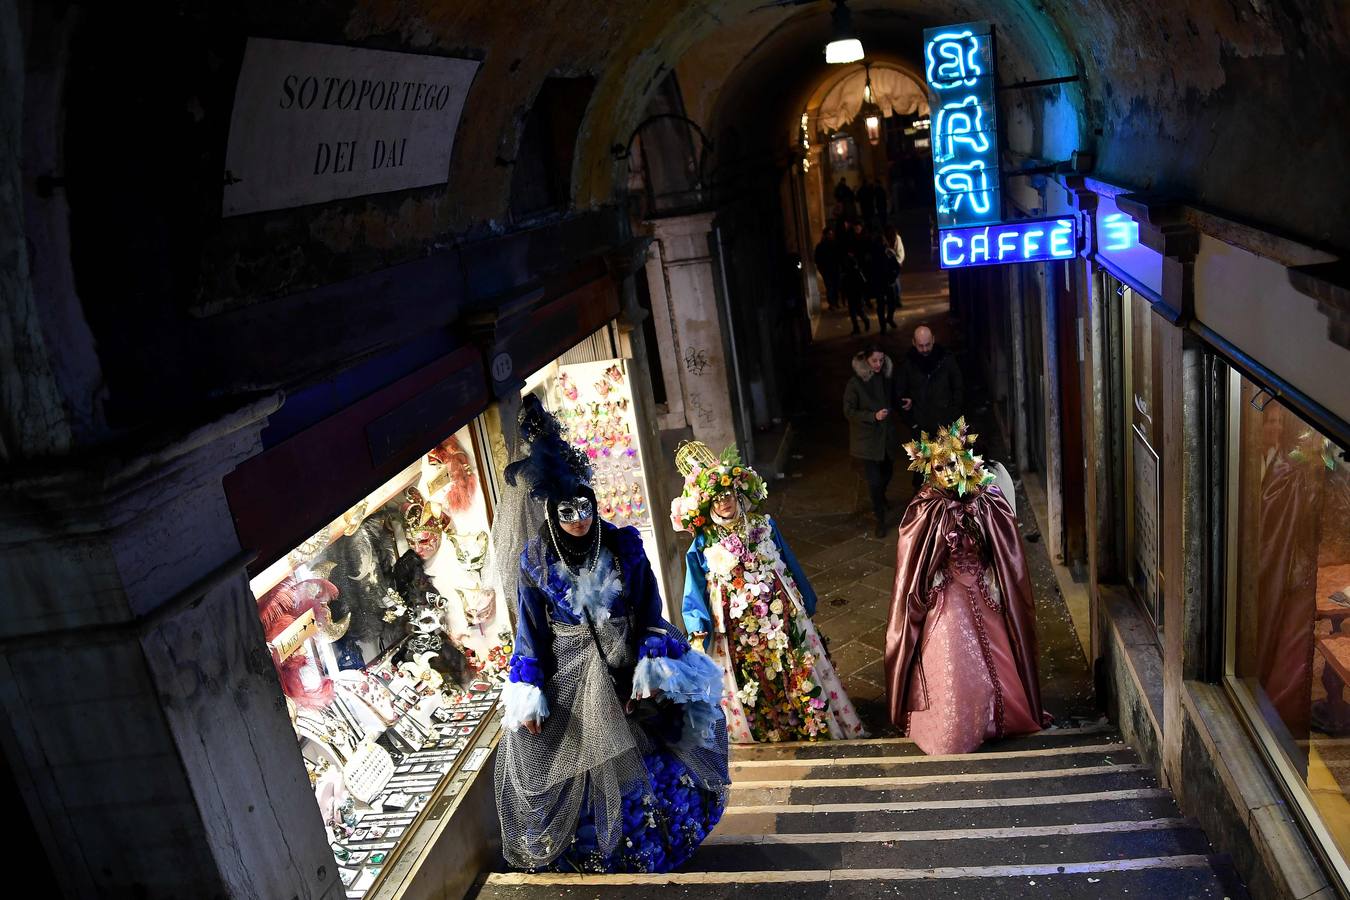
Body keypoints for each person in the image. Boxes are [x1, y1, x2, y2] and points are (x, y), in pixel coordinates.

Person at [495, 396, 728, 873]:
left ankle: (658, 844)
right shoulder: (537, 561)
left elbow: (648, 608)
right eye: (567, 512)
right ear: (552, 513)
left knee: (657, 764)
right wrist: (530, 686)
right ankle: (606, 853)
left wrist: (649, 661)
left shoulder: (623, 546)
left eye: (585, 507)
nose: (579, 519)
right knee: (588, 780)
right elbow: (531, 631)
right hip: (572, 689)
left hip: (628, 673)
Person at [673, 442, 865, 743]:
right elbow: (694, 585)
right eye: (717, 498)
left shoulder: (763, 524)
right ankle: (764, 726)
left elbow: (787, 560)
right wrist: (698, 627)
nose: (725, 503)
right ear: (708, 504)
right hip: (736, 625)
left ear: (738, 493)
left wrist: (804, 596)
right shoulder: (703, 541)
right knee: (749, 674)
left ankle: (803, 720)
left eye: (729, 495)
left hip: (777, 610)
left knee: (792, 665)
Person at [883, 418, 1049, 755]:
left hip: (984, 590)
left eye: (953, 464)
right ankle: (956, 725)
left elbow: (1004, 548)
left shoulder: (987, 498)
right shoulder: (926, 506)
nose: (947, 472)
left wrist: (991, 572)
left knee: (997, 657)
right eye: (940, 466)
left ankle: (997, 718)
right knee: (952, 662)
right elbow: (915, 560)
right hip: (947, 595)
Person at [896, 325, 964, 485]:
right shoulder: (907, 365)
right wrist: (911, 422)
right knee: (923, 473)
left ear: (933, 340)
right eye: (921, 346)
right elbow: (899, 395)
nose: (925, 349)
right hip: (921, 427)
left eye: (928, 345)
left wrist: (953, 413)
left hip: (946, 425)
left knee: (949, 470)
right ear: (914, 343)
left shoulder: (946, 360)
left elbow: (958, 387)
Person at [844, 346, 898, 537]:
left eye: (881, 360)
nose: (878, 364)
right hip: (867, 441)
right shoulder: (855, 383)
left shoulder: (886, 377)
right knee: (874, 481)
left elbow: (893, 398)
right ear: (866, 360)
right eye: (874, 360)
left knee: (888, 471)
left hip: (885, 437)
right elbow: (849, 411)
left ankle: (881, 498)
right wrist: (872, 416)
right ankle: (880, 518)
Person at [867, 232, 902, 335]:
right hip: (880, 282)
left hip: (886, 282)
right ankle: (884, 325)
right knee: (882, 305)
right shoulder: (874, 254)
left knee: (888, 304)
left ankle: (888, 320)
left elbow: (896, 267)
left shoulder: (888, 252)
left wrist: (892, 277)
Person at [840, 245, 870, 334]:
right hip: (855, 293)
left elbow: (844, 286)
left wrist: (843, 297)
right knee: (856, 311)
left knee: (855, 311)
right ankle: (861, 324)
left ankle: (861, 324)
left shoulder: (849, 274)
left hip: (854, 293)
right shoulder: (855, 272)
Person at [813, 227, 841, 311]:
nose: (830, 236)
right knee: (830, 286)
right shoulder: (821, 246)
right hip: (826, 269)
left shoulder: (834, 244)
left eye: (831, 234)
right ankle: (832, 303)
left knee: (835, 286)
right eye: (829, 234)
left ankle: (835, 302)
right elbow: (817, 258)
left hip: (834, 268)